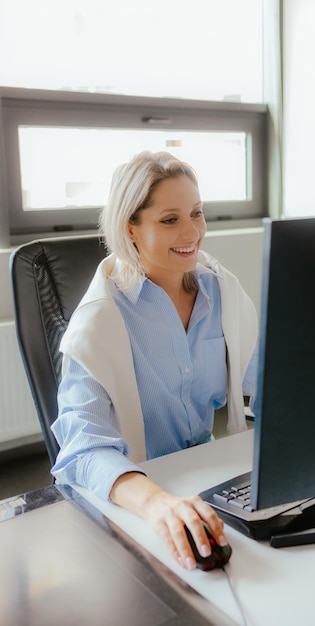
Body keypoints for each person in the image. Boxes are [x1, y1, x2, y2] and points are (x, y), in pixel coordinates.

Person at [51, 151, 258, 570]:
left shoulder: (222, 293)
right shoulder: (100, 321)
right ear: (131, 226)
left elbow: (269, 383)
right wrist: (158, 504)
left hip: (208, 480)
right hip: (138, 497)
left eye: (196, 213)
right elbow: (82, 451)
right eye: (170, 219)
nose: (192, 232)